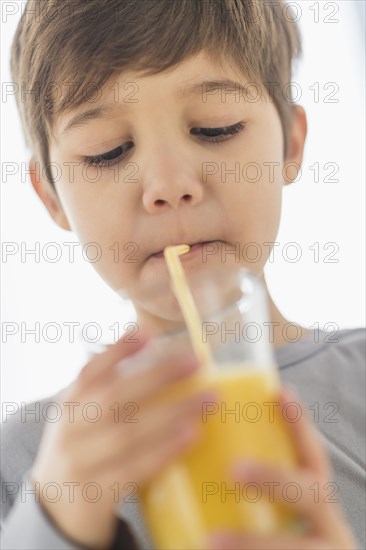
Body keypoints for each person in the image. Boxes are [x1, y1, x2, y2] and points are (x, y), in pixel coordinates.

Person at [2, 1, 364, 548]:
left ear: (291, 142)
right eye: (108, 153)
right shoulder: (30, 464)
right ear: (51, 195)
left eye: (216, 128)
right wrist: (53, 523)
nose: (169, 184)